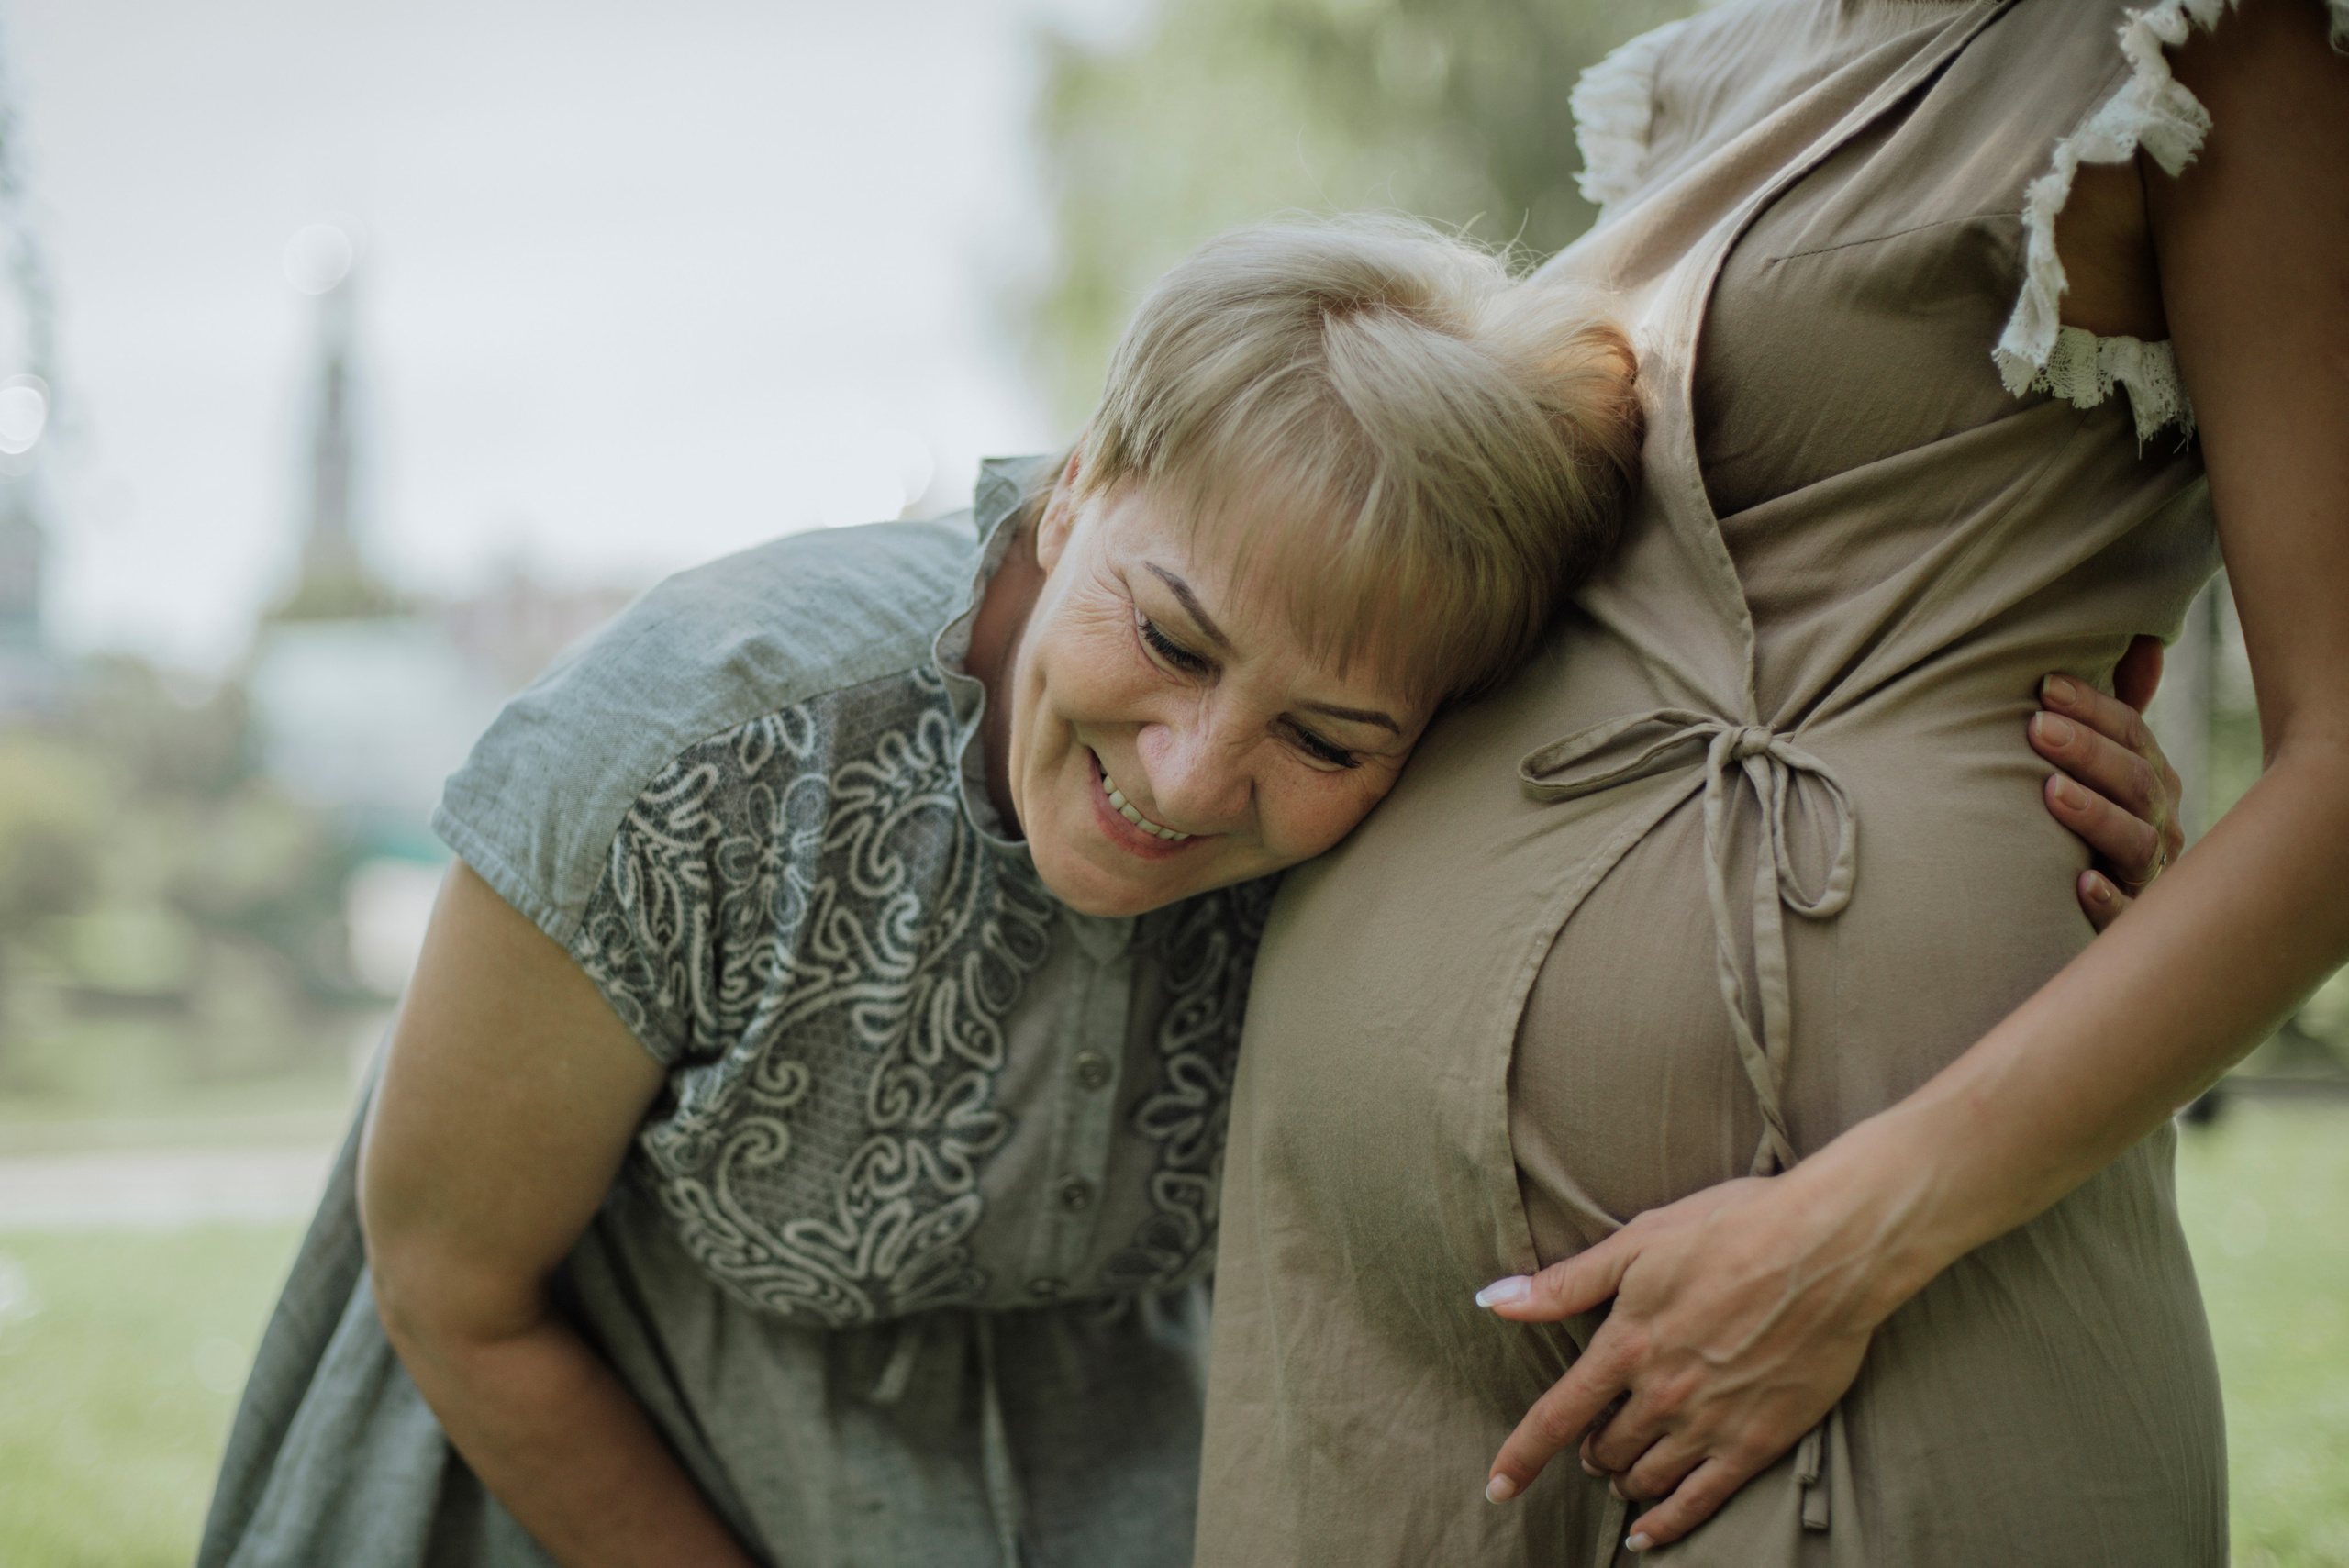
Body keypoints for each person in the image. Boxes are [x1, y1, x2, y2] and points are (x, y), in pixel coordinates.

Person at [195, 224, 2162, 1568]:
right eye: (1169, 632)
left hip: (1109, 1487)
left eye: (1323, 734)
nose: (1191, 778)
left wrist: (2014, 838)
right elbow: (452, 1284)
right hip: (579, 1464)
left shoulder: (1417, 789)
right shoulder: (693, 752)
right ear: (1075, 491)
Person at [1193, 1, 2349, 1564]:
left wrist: (1840, 1241)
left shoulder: (2204, 36)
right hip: (1390, 1373)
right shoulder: (1708, 67)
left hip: (1855, 1304)